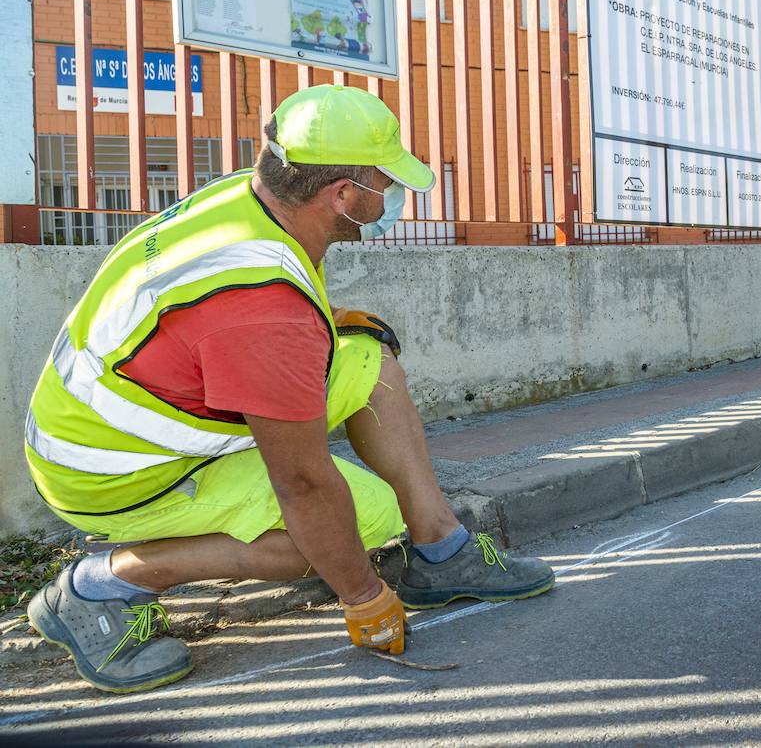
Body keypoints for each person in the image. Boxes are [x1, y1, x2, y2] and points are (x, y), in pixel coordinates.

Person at [24, 85, 554, 694]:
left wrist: (327, 321)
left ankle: (441, 550)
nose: (393, 193)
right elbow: (301, 482)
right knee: (355, 524)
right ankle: (99, 586)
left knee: (368, 358)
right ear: (343, 196)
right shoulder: (264, 308)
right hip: (116, 474)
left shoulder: (253, 199)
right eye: (386, 181)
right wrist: (362, 595)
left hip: (121, 424)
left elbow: (235, 318)